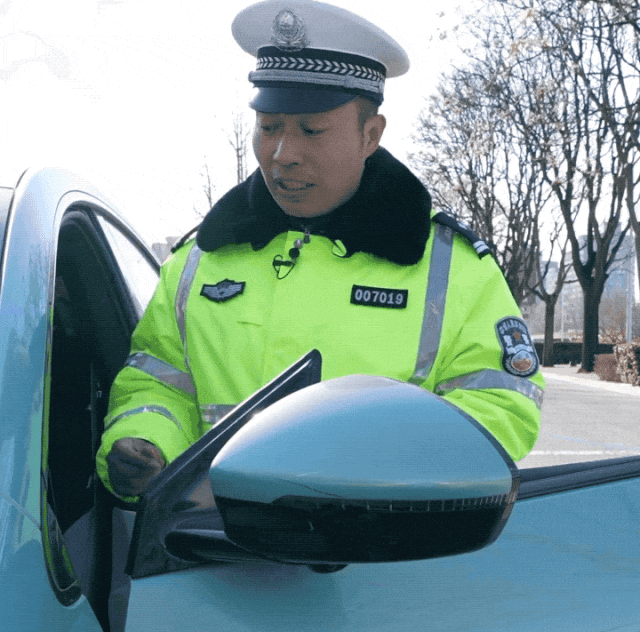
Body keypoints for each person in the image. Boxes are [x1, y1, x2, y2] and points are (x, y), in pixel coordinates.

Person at [96, 0, 544, 501]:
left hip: (378, 542)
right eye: (269, 127)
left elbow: (502, 406)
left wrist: (373, 478)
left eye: (311, 130)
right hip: (206, 539)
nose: (282, 154)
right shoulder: (198, 261)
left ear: (370, 135)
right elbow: (157, 384)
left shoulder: (451, 268)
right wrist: (148, 442)